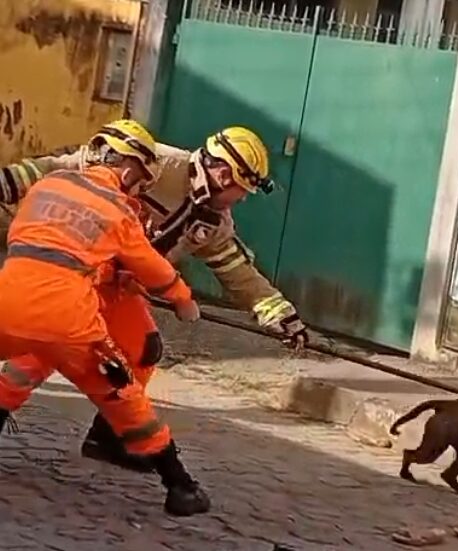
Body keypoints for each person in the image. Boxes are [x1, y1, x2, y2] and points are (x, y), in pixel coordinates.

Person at [0, 123, 308, 472]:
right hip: (77, 278)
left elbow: (237, 271)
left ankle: (111, 438)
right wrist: (9, 183)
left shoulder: (216, 224)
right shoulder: (155, 162)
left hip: (119, 290)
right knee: (42, 350)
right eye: (243, 188)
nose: (243, 198)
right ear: (224, 174)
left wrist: (280, 313)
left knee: (143, 349)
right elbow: (68, 167)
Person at [0, 120, 210, 516]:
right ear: (128, 170)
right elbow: (152, 267)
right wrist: (183, 299)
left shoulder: (45, 187)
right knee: (122, 393)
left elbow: (54, 243)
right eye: (140, 181)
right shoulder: (117, 209)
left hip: (7, 299)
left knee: (17, 368)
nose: (139, 190)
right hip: (70, 321)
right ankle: (180, 487)